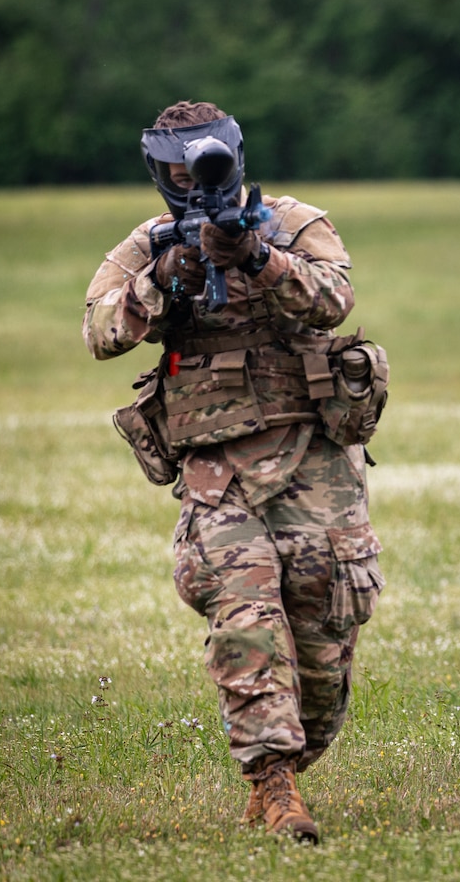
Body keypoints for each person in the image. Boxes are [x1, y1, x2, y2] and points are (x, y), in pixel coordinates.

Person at [85, 101, 384, 842]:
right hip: (217, 471)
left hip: (315, 462)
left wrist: (258, 258)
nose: (193, 183)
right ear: (159, 172)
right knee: (244, 618)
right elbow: (100, 331)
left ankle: (287, 763)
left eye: (204, 167)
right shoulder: (148, 243)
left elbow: (334, 300)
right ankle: (273, 784)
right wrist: (167, 274)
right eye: (177, 172)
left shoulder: (294, 223)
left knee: (323, 646)